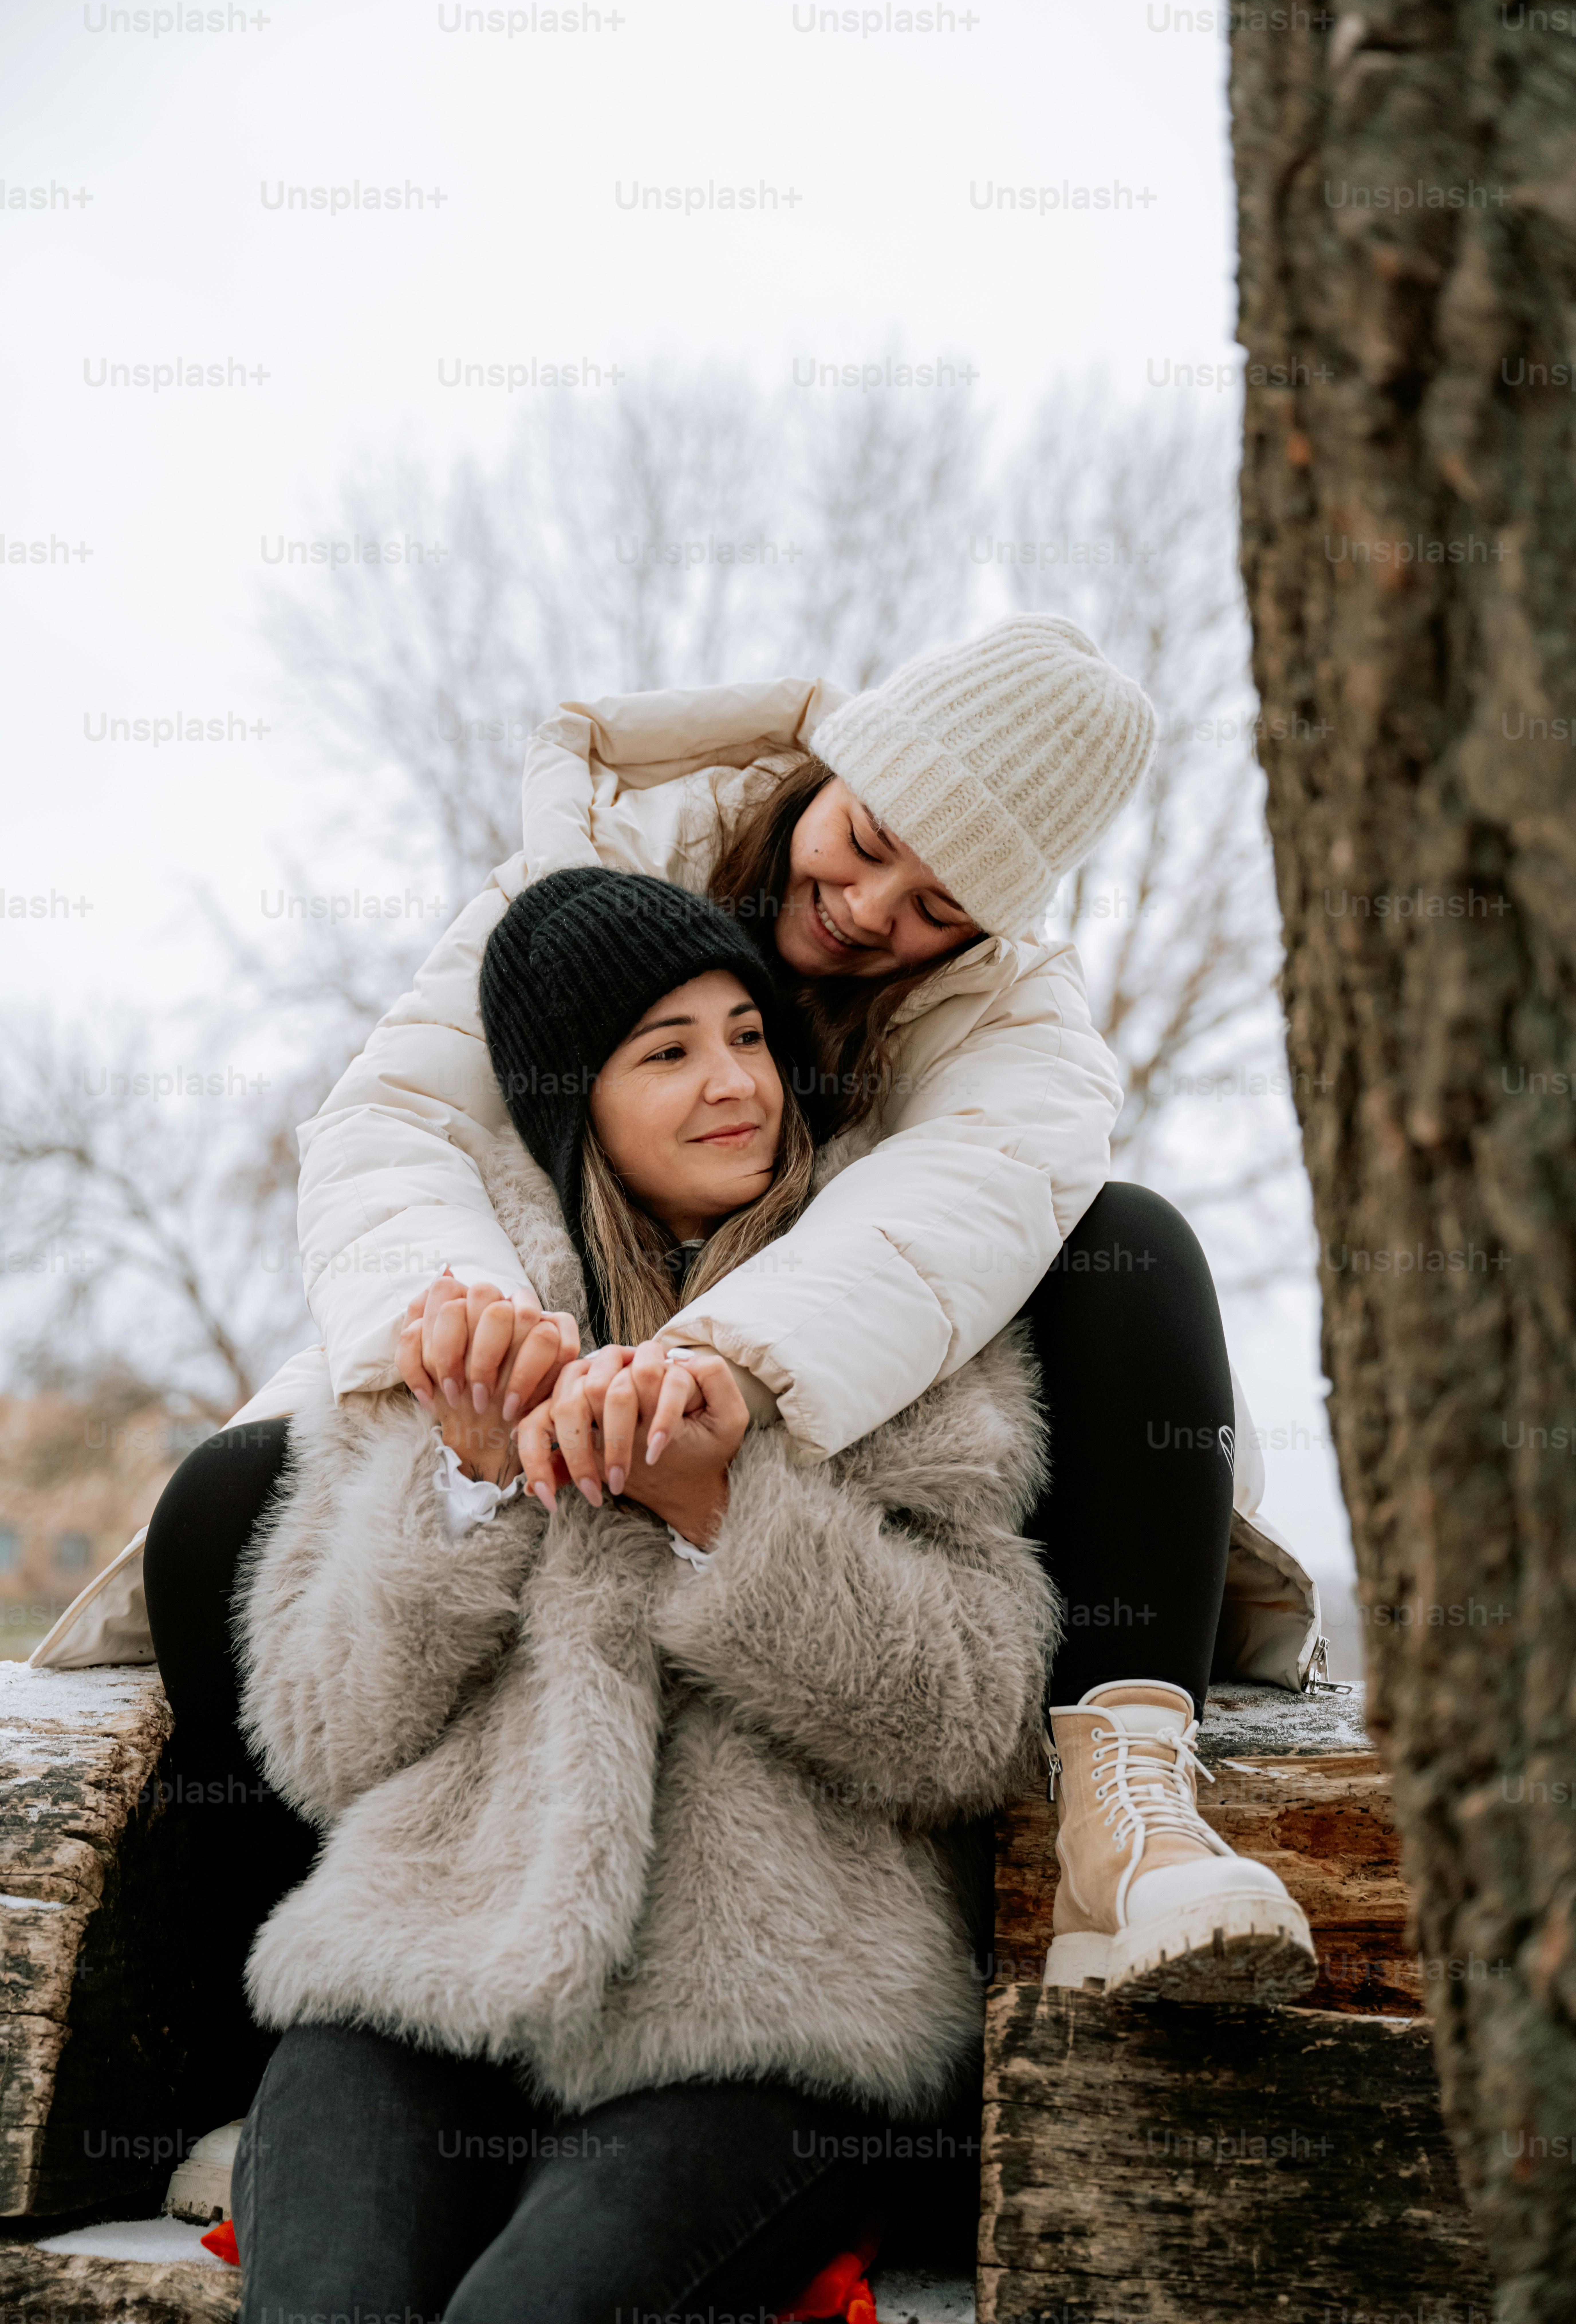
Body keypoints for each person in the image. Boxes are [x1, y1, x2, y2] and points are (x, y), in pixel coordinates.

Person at [142, 613, 1316, 2127]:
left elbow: (944, 1220)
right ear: (833, 764)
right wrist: (479, 1324)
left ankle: (1126, 1803)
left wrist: (712, 1376)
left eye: (940, 904)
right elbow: (396, 1125)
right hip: (551, 1307)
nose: (872, 905)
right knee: (223, 1506)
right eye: (868, 836)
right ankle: (286, 2054)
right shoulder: (594, 863)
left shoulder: (1016, 1023)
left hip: (854, 1389)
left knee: (1133, 1248)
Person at [231, 868, 1059, 2324]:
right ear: (575, 1107)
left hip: (767, 2022)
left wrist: (724, 1513)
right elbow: (319, 1736)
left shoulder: (900, 1317)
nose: (734, 1081)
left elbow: (967, 1726)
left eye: (747, 1033)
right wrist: (468, 1487)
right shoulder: (448, 1327)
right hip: (415, 1977)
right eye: (666, 1052)